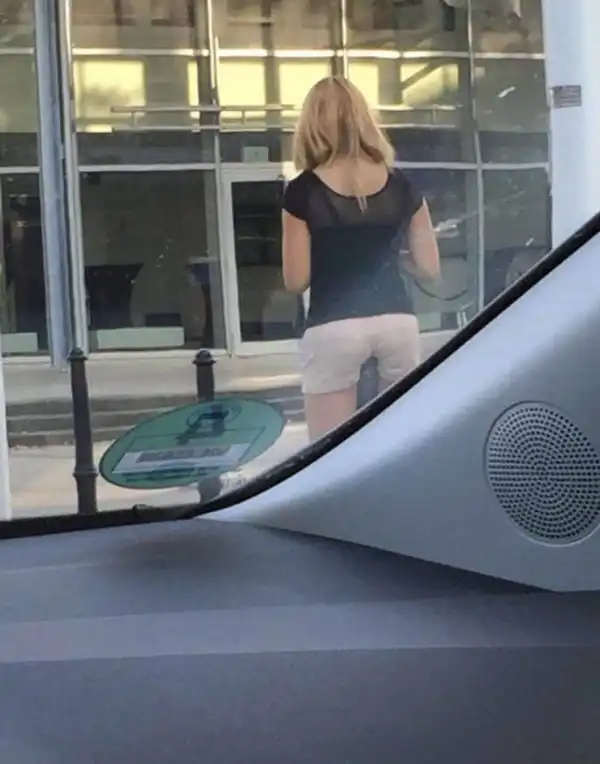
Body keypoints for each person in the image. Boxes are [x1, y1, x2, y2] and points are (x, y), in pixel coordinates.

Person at [282, 75, 440, 442]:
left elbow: (296, 280)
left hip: (334, 325)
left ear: (311, 125)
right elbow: (430, 269)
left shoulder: (302, 191)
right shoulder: (403, 185)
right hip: (397, 322)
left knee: (329, 450)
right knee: (398, 441)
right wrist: (394, 259)